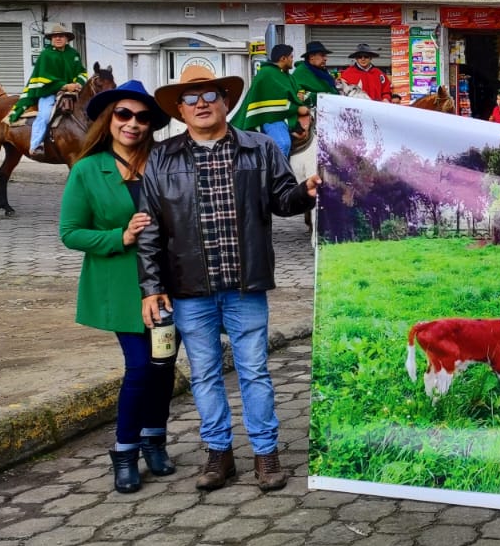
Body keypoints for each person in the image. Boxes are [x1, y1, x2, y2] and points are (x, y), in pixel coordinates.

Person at [137, 63, 319, 493]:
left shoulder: (258, 148)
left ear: (224, 102)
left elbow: (283, 200)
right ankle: (218, 454)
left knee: (254, 371)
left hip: (245, 285)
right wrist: (151, 287)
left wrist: (306, 192)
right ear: (180, 110)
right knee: (203, 375)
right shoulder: (162, 158)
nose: (201, 104)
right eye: (190, 98)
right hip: (188, 289)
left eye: (209, 96)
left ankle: (265, 453)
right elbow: (149, 229)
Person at [59, 80, 178, 494]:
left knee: (164, 368)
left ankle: (154, 440)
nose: (133, 123)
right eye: (124, 114)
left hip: (168, 284)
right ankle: (124, 451)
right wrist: (119, 237)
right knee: (141, 366)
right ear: (109, 119)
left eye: (143, 117)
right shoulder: (88, 169)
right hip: (121, 286)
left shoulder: (164, 161)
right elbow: (70, 232)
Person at [9, 23, 88, 155]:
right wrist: (64, 86)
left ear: (67, 39)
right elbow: (43, 78)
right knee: (45, 115)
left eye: (61, 36)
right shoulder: (46, 55)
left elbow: (81, 72)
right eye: (55, 36)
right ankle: (36, 145)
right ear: (51, 39)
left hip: (72, 92)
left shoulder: (73, 54)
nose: (58, 39)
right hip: (49, 92)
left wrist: (78, 83)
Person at [231, 45, 304, 159]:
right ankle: (278, 174)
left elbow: (295, 90)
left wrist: (300, 94)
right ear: (283, 58)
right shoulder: (267, 73)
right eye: (291, 57)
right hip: (271, 118)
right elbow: (270, 103)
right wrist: (296, 108)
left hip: (283, 117)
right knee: (283, 144)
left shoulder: (285, 74)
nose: (292, 60)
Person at [291, 41, 340, 110]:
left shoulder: (322, 71)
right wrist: (325, 97)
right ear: (311, 57)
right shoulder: (300, 72)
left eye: (325, 56)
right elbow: (299, 95)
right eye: (322, 55)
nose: (326, 59)